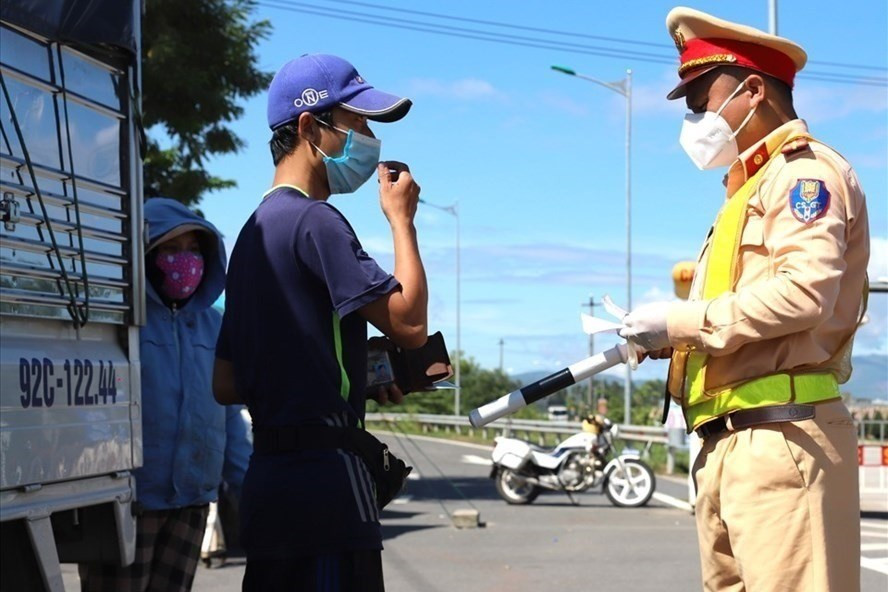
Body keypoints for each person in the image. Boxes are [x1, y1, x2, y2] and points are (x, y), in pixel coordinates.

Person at [619, 8, 869, 591]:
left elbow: (805, 294)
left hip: (784, 437)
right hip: (726, 442)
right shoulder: (743, 191)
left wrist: (679, 320)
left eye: (702, 100)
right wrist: (671, 340)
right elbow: (740, 321)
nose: (694, 119)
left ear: (754, 90)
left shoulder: (804, 176)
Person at [213, 54, 428, 591]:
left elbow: (226, 382)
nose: (368, 139)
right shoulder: (317, 220)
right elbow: (408, 323)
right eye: (357, 124)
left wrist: (349, 376)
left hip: (267, 487)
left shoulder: (252, 235)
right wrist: (402, 222)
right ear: (311, 127)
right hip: (328, 489)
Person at [79, 198, 251, 591]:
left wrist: (249, 492)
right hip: (127, 503)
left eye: (193, 250)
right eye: (170, 249)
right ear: (145, 254)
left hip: (191, 500)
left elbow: (230, 418)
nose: (184, 261)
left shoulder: (214, 326)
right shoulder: (119, 321)